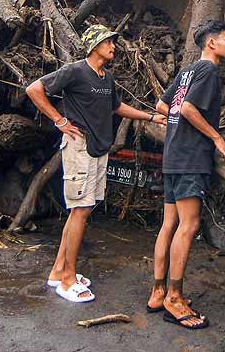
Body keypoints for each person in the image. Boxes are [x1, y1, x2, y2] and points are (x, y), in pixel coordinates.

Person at [26, 23, 166, 303]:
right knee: (80, 209)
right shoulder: (75, 71)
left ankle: (58, 271)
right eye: (108, 42)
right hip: (79, 146)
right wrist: (60, 120)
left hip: (98, 148)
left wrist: (151, 117)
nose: (113, 46)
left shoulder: (106, 78)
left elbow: (117, 107)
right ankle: (68, 280)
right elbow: (34, 89)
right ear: (93, 46)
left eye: (113, 41)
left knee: (82, 210)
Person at [147, 19, 225, 330]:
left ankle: (158, 291)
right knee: (189, 225)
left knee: (169, 223)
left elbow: (162, 106)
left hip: (173, 155)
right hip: (190, 158)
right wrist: (215, 137)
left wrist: (174, 129)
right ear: (211, 43)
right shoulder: (209, 71)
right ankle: (175, 296)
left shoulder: (186, 71)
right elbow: (186, 109)